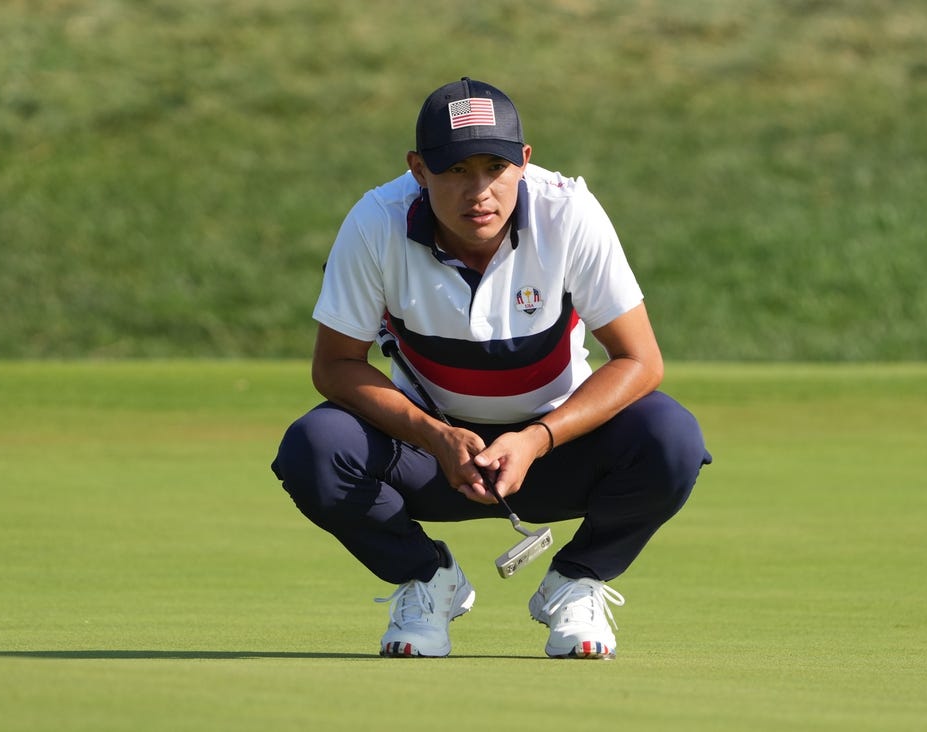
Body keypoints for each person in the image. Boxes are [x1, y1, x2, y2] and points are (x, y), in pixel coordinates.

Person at [271, 77, 711, 659]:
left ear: (523, 162)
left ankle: (576, 581)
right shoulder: (376, 221)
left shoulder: (567, 212)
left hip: (554, 449)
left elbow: (639, 359)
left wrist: (535, 439)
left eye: (494, 167)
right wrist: (436, 435)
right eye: (455, 170)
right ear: (419, 170)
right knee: (314, 448)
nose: (478, 191)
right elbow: (335, 366)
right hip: (428, 455)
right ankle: (429, 580)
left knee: (671, 438)